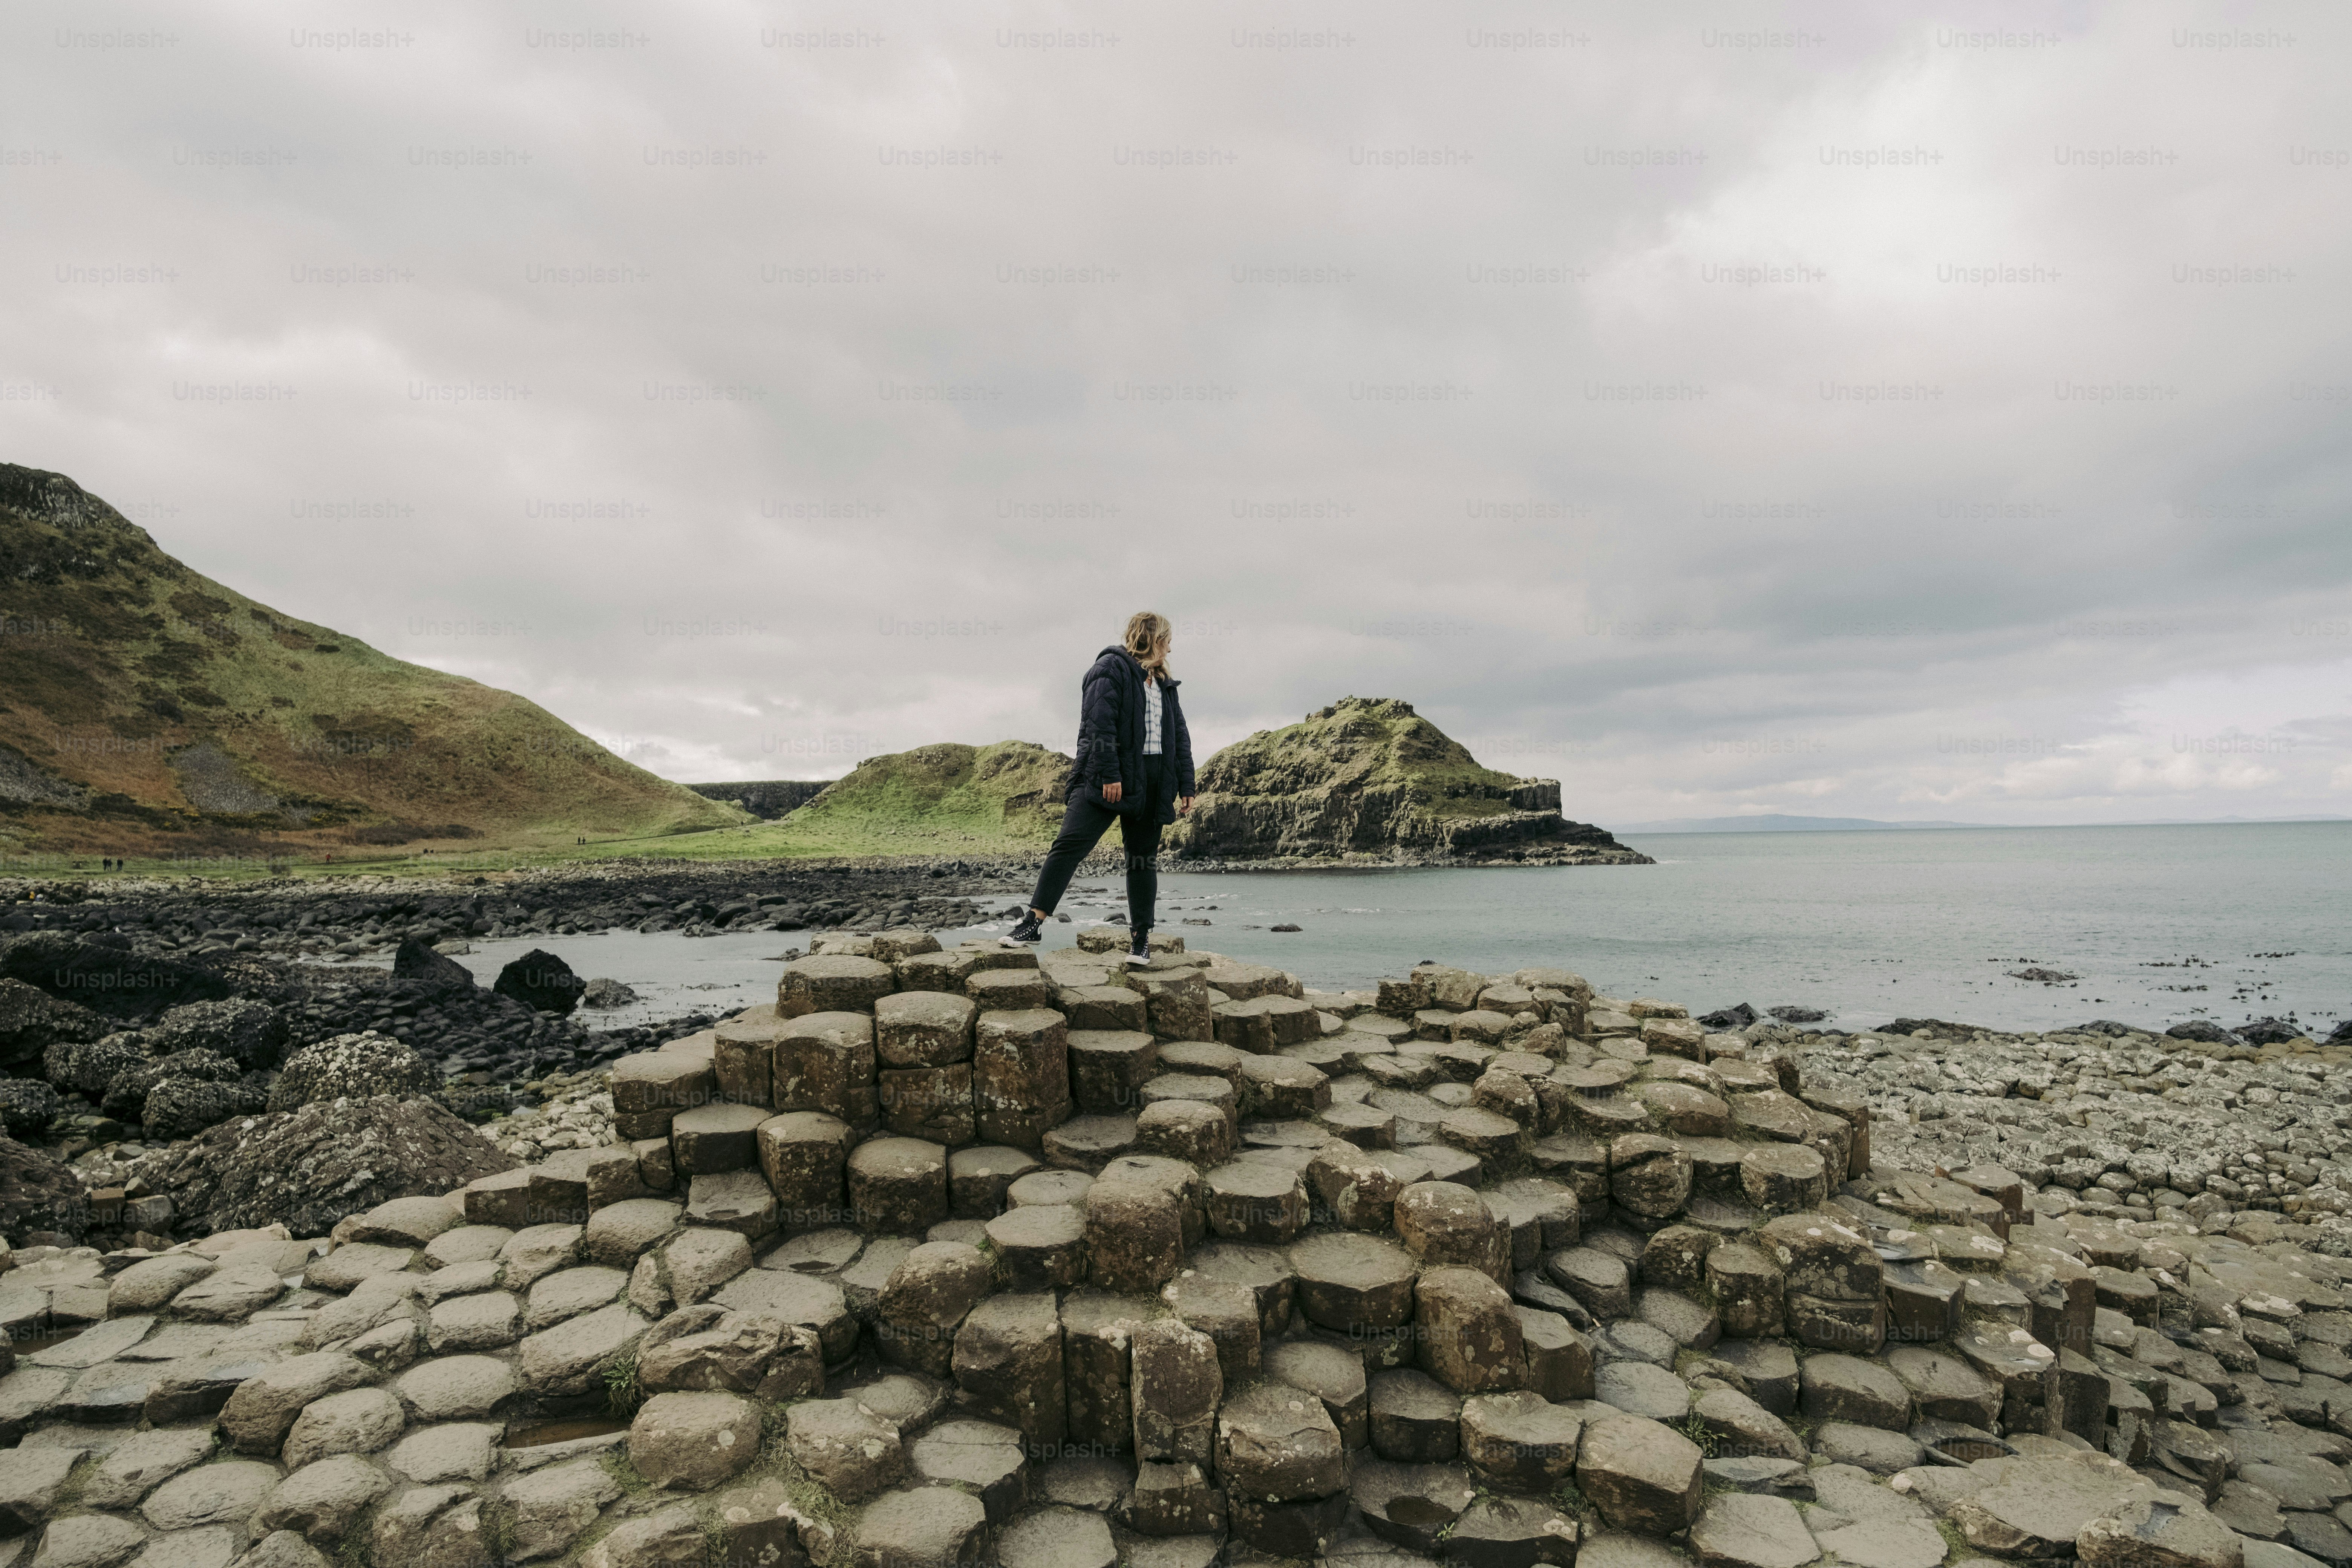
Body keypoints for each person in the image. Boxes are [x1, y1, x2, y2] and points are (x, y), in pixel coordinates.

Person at [1006, 612, 1196, 966]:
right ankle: (1033, 924)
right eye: (1167, 638)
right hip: (1107, 779)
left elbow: (1179, 738)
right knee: (1068, 847)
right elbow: (1099, 725)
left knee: (1142, 862)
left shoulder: (1165, 684)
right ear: (1152, 639)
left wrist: (1187, 784)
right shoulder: (1110, 669)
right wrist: (1110, 775)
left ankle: (1141, 942)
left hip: (1153, 785)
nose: (1171, 645)